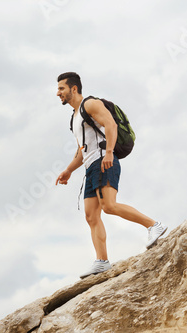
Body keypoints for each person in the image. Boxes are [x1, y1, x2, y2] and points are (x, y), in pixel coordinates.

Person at [55, 72, 167, 279]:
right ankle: (102, 262)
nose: (57, 93)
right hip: (91, 166)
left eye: (61, 88)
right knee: (91, 215)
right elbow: (82, 150)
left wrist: (108, 153)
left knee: (109, 206)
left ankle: (154, 225)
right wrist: (68, 170)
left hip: (103, 161)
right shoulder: (75, 117)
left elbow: (111, 125)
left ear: (74, 88)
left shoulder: (91, 104)